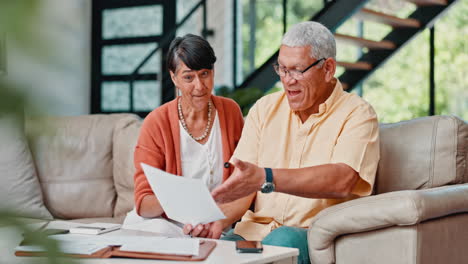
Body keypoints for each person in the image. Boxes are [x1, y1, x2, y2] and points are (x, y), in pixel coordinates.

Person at [210, 22, 380, 264]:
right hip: (254, 237)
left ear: (328, 68)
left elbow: (342, 179)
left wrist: (267, 177)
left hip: (311, 237)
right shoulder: (264, 110)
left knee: (282, 240)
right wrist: (215, 222)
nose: (287, 81)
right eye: (282, 69)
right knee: (219, 250)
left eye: (297, 70)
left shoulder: (358, 113)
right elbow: (244, 186)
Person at [129, 34, 249, 239]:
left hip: (217, 226)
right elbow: (144, 203)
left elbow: (245, 179)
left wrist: (216, 220)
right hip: (165, 226)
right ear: (174, 77)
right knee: (160, 233)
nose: (200, 86)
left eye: (205, 74)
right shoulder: (156, 122)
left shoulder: (230, 112)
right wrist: (184, 205)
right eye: (188, 77)